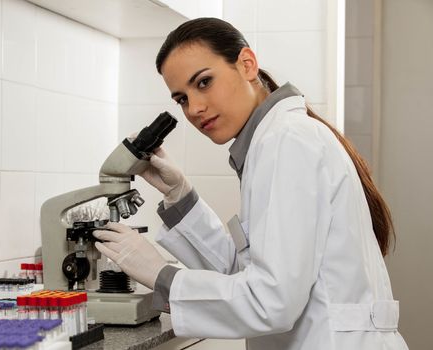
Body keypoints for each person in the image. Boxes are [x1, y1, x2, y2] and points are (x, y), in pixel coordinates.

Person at [93, 18, 409, 350]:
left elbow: (270, 301)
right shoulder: (271, 142)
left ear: (247, 64)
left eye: (203, 82)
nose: (195, 108)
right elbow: (244, 276)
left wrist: (161, 276)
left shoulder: (286, 140)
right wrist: (180, 196)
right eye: (182, 99)